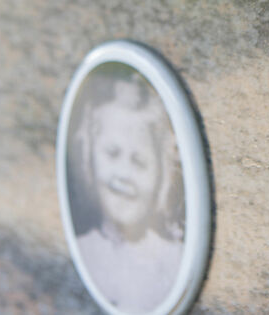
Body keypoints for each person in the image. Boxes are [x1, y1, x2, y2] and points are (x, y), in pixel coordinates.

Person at [68, 70, 185, 314]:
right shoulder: (83, 251)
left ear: (161, 175)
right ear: (91, 159)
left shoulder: (174, 260)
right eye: (111, 153)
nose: (123, 174)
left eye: (139, 162)